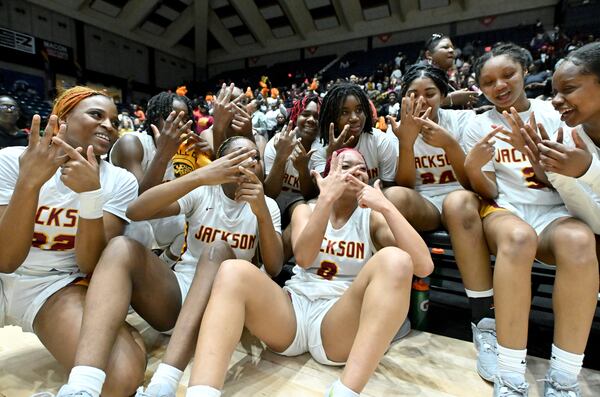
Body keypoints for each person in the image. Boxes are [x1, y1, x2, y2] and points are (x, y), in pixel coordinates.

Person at [182, 148, 433, 397]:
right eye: (345, 166)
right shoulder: (307, 209)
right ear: (326, 175)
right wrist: (326, 199)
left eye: (362, 168)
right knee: (232, 270)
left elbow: (423, 267)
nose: (356, 172)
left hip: (337, 321)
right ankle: (202, 392)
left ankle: (344, 391)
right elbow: (304, 257)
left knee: (397, 260)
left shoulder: (372, 218)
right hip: (293, 313)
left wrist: (387, 207)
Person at [54, 136, 282, 397]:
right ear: (221, 163)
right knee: (120, 247)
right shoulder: (203, 191)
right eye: (240, 156)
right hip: (178, 300)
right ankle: (82, 385)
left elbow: (274, 267)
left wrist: (262, 212)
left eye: (256, 158)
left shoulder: (268, 207)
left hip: (221, 312)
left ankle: (164, 385)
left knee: (217, 250)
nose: (250, 162)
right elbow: (136, 211)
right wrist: (199, 176)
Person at [463, 43, 598, 396]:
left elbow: (565, 181)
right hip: (506, 209)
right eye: (489, 81)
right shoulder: (478, 124)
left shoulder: (557, 112)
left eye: (508, 74)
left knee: (580, 240)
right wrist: (474, 166)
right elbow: (487, 191)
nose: (500, 85)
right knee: (518, 238)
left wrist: (536, 157)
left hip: (554, 209)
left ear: (525, 71)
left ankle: (564, 379)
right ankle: (510, 376)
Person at [0, 86, 139, 395]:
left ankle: (117, 332)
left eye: (113, 121)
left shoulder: (120, 180)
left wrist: (91, 195)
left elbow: (89, 263)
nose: (108, 125)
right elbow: (6, 260)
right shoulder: (10, 160)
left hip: (55, 285)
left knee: (119, 381)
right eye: (96, 115)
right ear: (61, 118)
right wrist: (29, 182)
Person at [522, 42, 600, 234]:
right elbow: (596, 224)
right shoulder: (566, 139)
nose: (555, 101)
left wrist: (589, 171)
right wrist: (557, 174)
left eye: (569, 88)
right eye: (554, 92)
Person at [109, 92, 196, 256]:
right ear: (155, 119)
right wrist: (163, 154)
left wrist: (208, 155)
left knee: (191, 221)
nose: (180, 124)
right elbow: (139, 203)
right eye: (172, 117)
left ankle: (165, 264)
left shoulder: (184, 152)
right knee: (140, 229)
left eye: (185, 119)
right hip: (124, 221)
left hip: (156, 219)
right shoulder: (132, 142)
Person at [312, 83, 398, 187]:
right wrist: (331, 158)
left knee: (396, 193)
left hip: (374, 198)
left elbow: (389, 186)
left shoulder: (380, 140)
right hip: (338, 201)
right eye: (344, 112)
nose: (354, 118)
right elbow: (324, 191)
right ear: (331, 116)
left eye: (359, 110)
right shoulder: (320, 147)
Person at [422, 33, 479, 108]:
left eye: (452, 48)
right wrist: (452, 99)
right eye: (445, 47)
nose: (452, 50)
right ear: (429, 55)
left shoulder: (446, 80)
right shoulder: (421, 75)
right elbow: (413, 103)